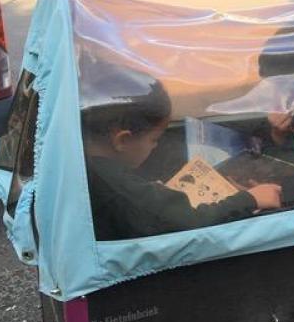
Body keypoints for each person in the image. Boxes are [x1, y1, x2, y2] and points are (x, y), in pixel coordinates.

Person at [81, 69, 282, 241]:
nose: (155, 146)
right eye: (154, 140)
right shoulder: (119, 191)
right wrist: (250, 199)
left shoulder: (86, 166)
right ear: (122, 140)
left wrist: (148, 192)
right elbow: (188, 223)